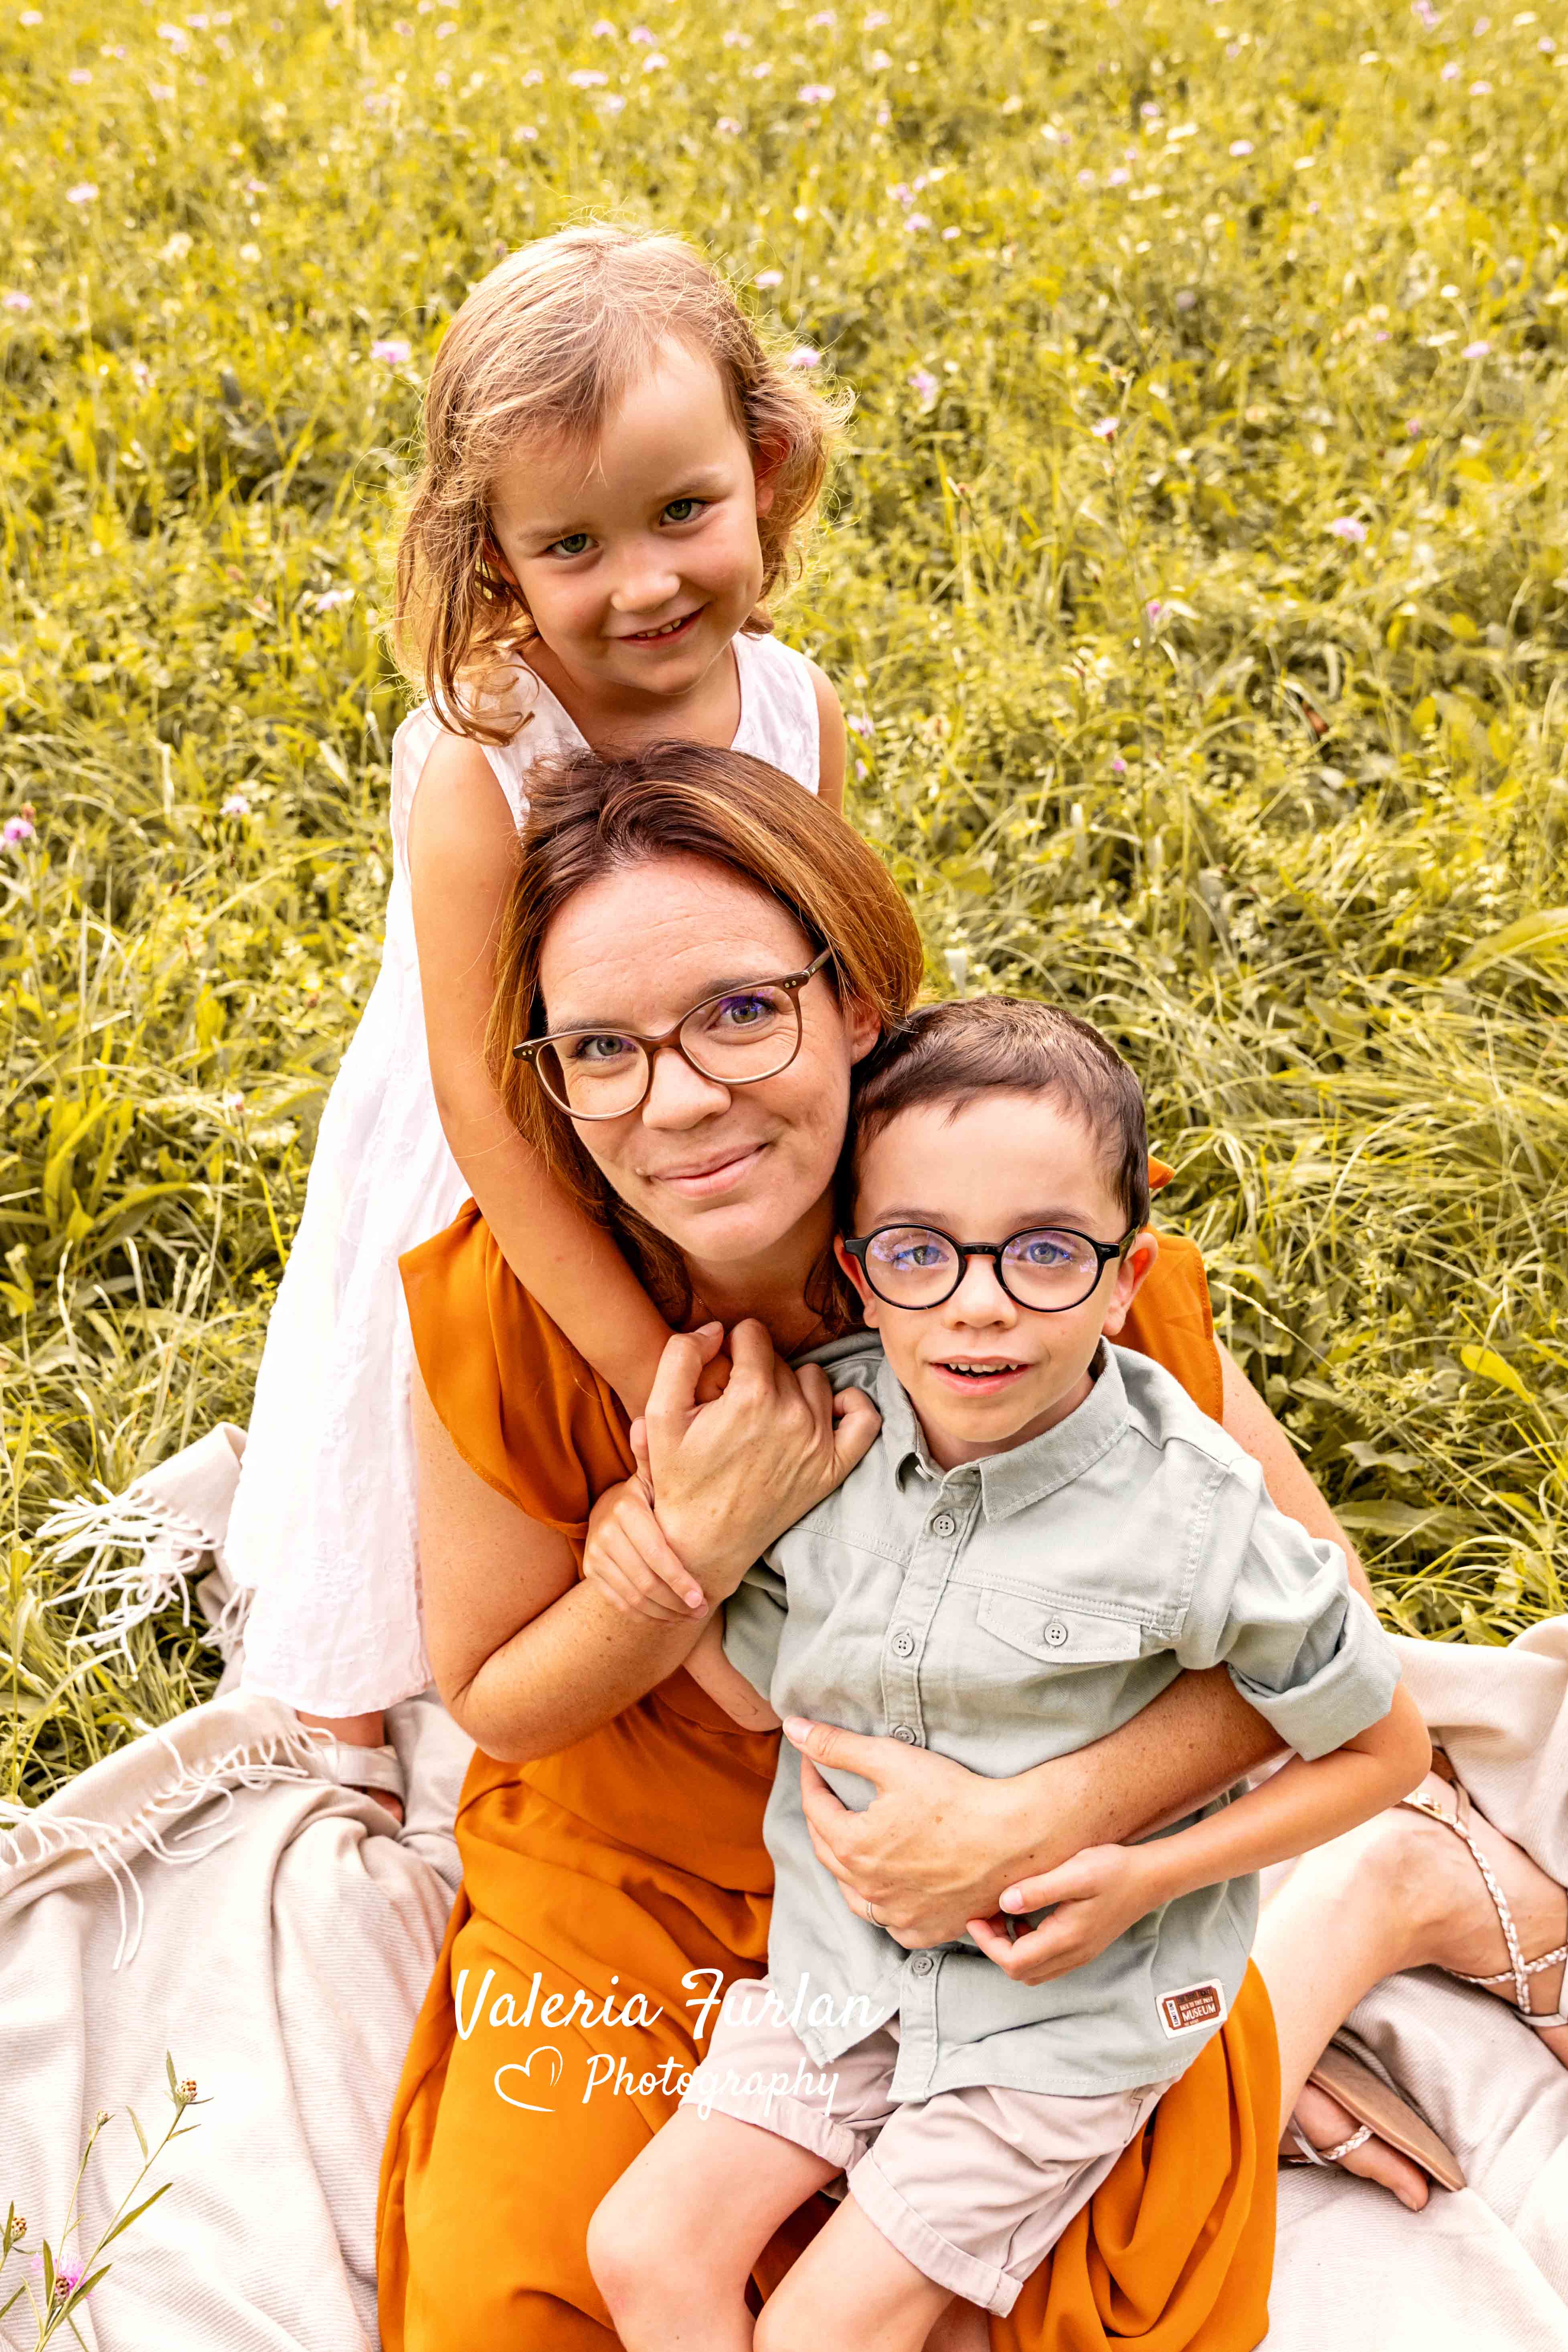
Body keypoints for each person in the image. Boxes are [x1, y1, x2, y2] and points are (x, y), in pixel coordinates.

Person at [376, 743, 1566, 2352]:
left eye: (742, 1012)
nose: (679, 1098)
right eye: (602, 1049)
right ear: (556, 1080)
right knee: (537, 2311)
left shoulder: (1018, 1247)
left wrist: (1041, 1817)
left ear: (853, 1003)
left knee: (1052, 2314)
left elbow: (1315, 1609)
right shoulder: (506, 1302)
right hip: (637, 1858)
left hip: (1028, 1848)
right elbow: (498, 1699)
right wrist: (685, 1545)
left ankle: (1360, 1906)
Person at [584, 996, 1430, 2349]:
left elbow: (1387, 1746)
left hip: (1063, 2019)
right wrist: (659, 1550)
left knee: (822, 2332)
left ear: (1126, 1273)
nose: (979, 1301)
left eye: (1044, 1251)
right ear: (859, 1270)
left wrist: (1149, 1875)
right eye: (921, 1251)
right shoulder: (832, 1442)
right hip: (840, 1975)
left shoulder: (1196, 1515)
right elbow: (765, 1700)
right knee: (642, 2246)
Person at [223, 226, 851, 1805]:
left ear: (764, 466)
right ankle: (358, 1679)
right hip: (503, 1149)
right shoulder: (484, 765)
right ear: (493, 555)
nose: (643, 582)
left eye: (684, 512)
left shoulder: (793, 708)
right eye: (571, 546)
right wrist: (654, 1372)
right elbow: (480, 1110)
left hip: (706, 1123)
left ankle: (706, 1596)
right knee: (435, 1412)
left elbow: (837, 966)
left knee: (750, 1436)